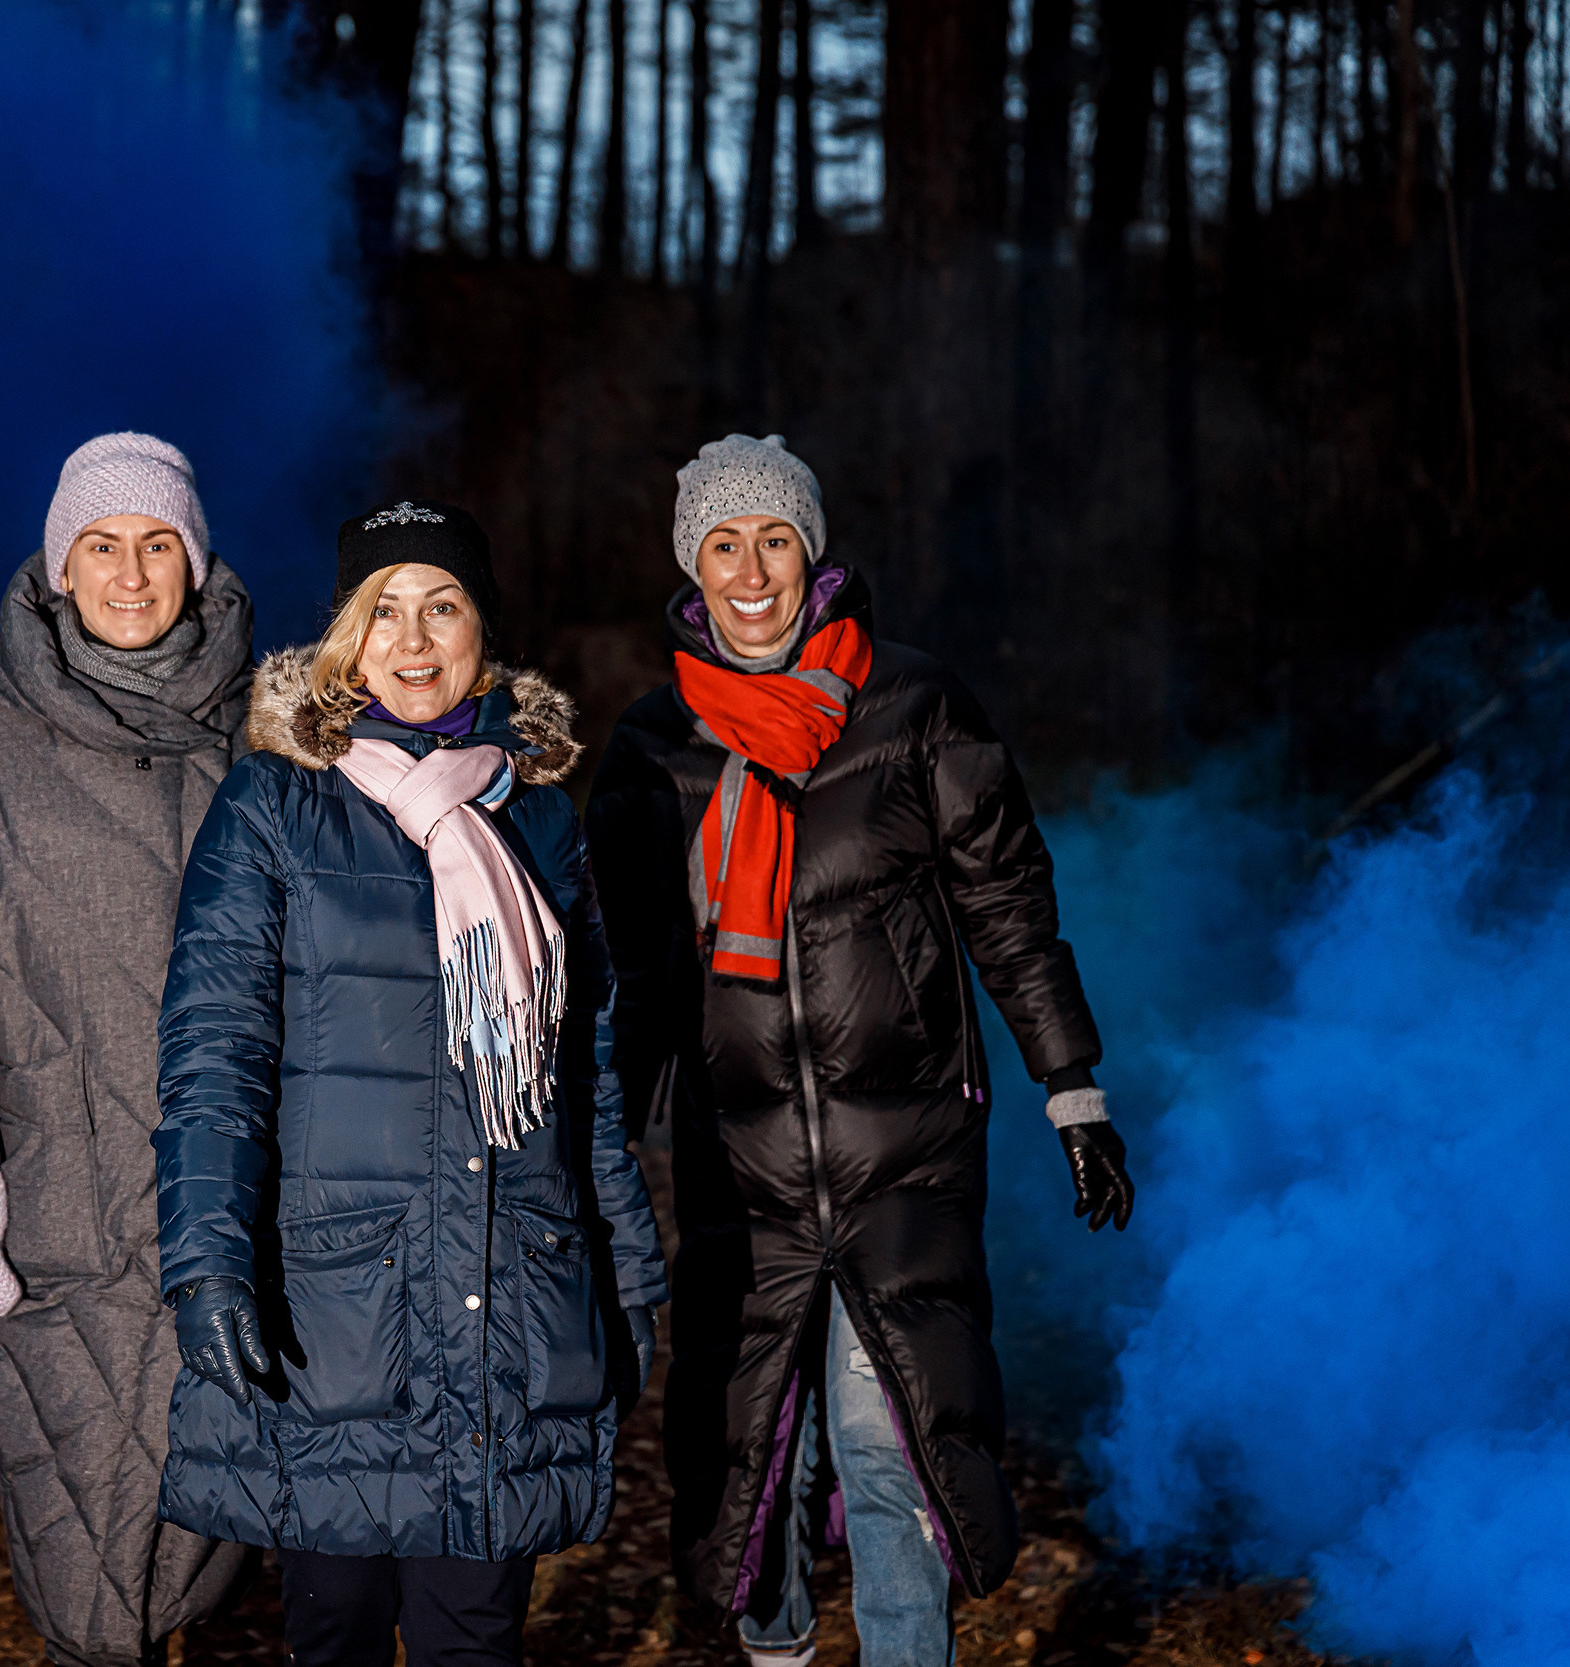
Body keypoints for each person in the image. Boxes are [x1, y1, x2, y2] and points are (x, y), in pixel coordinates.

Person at [582, 436, 1136, 1667]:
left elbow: (1008, 905)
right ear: (691, 565)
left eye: (774, 537)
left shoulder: (915, 704)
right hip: (739, 1164)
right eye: (722, 543)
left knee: (893, 1450)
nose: (751, 569)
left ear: (812, 550)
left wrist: (1070, 1084)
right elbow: (626, 976)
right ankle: (775, 1652)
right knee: (756, 1466)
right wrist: (588, 1148)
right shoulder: (652, 744)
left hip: (908, 1150)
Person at [151, 500, 669, 1667]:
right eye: (383, 608)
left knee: (474, 1639)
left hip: (508, 1306)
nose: (415, 637)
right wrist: (206, 1263)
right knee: (331, 1629)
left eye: (443, 605)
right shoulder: (271, 808)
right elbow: (211, 1060)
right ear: (345, 636)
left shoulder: (537, 820)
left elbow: (582, 1072)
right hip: (338, 1319)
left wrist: (627, 1273)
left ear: (483, 631)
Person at [0, 432, 258, 1667]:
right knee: (82, 1553)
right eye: (101, 546)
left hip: (227, 1205)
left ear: (195, 566)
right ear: (58, 569)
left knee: (199, 1549)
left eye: (159, 545)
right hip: (55, 1209)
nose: (131, 573)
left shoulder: (265, 734)